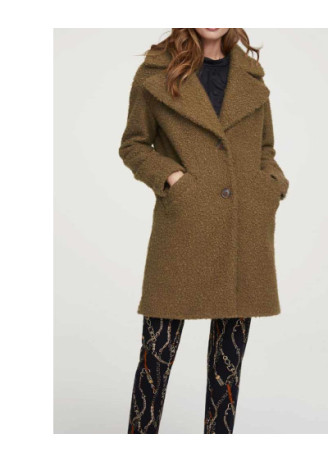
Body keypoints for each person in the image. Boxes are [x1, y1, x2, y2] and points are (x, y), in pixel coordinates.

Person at [119, 28, 289, 434]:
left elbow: (265, 148)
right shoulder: (155, 72)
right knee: (156, 356)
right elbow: (134, 145)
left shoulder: (250, 76)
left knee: (227, 367)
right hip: (185, 226)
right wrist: (174, 179)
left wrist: (271, 185)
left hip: (243, 228)